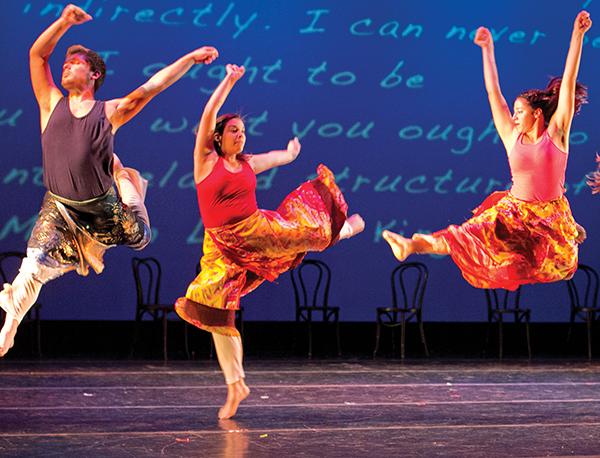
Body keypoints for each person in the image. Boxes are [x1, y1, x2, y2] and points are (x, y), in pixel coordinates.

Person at [0, 4, 219, 356]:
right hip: (58, 206)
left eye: (76, 62)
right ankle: (10, 325)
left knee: (140, 237)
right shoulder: (50, 103)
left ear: (94, 76)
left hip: (103, 210)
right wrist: (63, 22)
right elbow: (38, 55)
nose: (67, 65)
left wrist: (190, 59)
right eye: (66, 62)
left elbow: (150, 88)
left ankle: (126, 178)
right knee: (35, 262)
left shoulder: (108, 112)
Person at [175, 64, 365, 419]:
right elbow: (208, 114)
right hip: (218, 246)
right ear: (217, 137)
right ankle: (236, 385)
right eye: (233, 130)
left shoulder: (246, 164)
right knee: (214, 309)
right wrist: (229, 80)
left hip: (255, 230)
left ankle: (348, 228)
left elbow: (273, 159)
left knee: (304, 232)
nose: (240, 135)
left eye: (243, 131)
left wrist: (290, 155)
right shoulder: (205, 161)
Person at [382, 11, 591, 291]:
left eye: (520, 112)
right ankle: (411, 245)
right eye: (514, 112)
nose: (514, 117)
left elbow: (568, 82)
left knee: (560, 264)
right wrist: (487, 50)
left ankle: (570, 231)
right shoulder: (512, 137)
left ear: (538, 114)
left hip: (549, 221)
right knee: (465, 235)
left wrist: (577, 35)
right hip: (514, 213)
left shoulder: (556, 135)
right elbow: (495, 94)